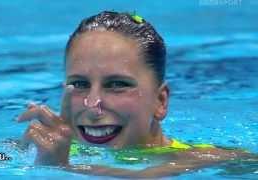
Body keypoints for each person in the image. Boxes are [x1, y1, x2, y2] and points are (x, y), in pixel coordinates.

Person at [16, 11, 254, 178]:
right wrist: (22, 151)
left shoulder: (197, 159)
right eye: (79, 84)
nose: (92, 104)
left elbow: (142, 178)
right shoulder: (59, 148)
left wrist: (58, 169)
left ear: (160, 101)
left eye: (117, 84)